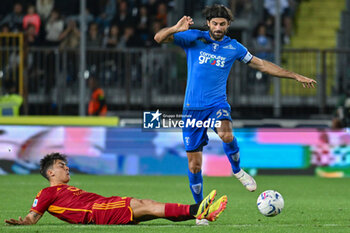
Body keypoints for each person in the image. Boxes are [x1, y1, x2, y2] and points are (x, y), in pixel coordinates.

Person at [154, 4, 316, 225]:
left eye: (222, 24)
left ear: (228, 25)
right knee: (194, 166)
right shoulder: (194, 38)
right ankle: (201, 210)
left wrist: (295, 76)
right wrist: (175, 27)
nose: (218, 27)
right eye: (215, 23)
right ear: (208, 24)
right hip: (192, 109)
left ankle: (238, 171)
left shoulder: (234, 47)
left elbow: (261, 65)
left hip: (216, 104)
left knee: (226, 134)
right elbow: (158, 38)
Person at [4, 153, 227, 225]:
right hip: (99, 210)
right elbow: (33, 217)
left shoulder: (65, 190)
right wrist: (23, 222)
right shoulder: (47, 193)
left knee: (149, 208)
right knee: (145, 205)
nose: (67, 168)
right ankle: (199, 209)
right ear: (50, 173)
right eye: (62, 166)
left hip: (105, 205)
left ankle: (197, 212)